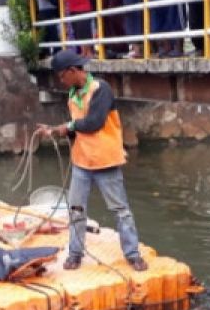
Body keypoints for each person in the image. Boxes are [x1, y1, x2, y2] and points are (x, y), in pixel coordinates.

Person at [36, 50, 148, 272]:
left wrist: (66, 127)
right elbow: (78, 127)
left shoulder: (101, 89)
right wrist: (56, 131)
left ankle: (132, 254)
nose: (61, 81)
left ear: (72, 71)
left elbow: (94, 123)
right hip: (81, 161)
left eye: (62, 76)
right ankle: (75, 254)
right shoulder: (72, 94)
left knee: (120, 210)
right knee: (76, 210)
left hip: (106, 161)